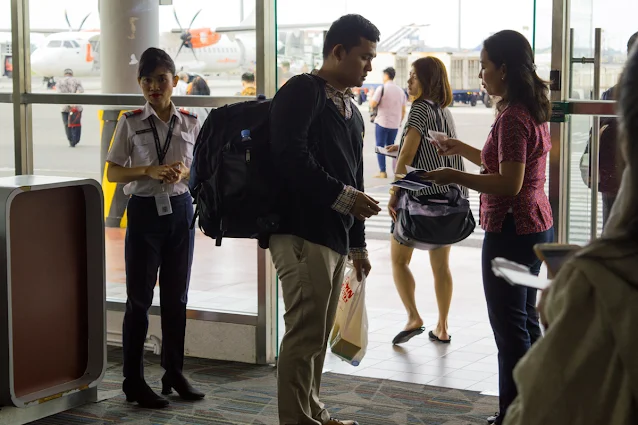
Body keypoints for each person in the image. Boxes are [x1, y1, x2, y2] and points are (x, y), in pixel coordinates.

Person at [422, 30, 554, 425]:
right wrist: (460, 149)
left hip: (512, 229)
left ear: (504, 68)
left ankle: (514, 416)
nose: (480, 74)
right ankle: (536, 407)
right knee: (525, 321)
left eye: (484, 65)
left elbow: (508, 183)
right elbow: (507, 166)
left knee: (510, 329)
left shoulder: (513, 116)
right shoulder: (527, 108)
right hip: (533, 224)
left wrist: (454, 175)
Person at [503, 41, 638, 425]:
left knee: (515, 319)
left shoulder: (606, 282)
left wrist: (570, 312)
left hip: (517, 222)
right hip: (539, 218)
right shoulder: (533, 112)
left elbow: (540, 410)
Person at [268, 14, 381, 425]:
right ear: (338, 52)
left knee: (316, 334)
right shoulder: (303, 90)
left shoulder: (350, 109)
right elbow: (289, 156)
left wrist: (358, 242)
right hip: (299, 231)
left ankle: (313, 411)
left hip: (331, 235)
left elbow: (355, 177)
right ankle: (297, 420)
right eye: (364, 57)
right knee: (304, 333)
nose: (369, 66)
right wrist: (344, 198)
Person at [105, 47, 204, 409]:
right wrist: (146, 171)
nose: (154, 86)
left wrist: (184, 173)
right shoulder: (130, 121)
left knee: (177, 299)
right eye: (147, 80)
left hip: (181, 211)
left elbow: (200, 170)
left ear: (175, 81)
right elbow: (114, 172)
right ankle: (133, 380)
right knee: (139, 301)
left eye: (161, 79)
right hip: (145, 213)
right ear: (140, 84)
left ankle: (173, 372)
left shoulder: (191, 121)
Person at [386, 57, 466, 346]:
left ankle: (413, 317)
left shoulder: (419, 109)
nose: (409, 81)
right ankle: (442, 327)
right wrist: (405, 146)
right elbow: (432, 150)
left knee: (398, 260)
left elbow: (407, 156)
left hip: (418, 200)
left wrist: (394, 192)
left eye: (414, 76)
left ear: (427, 81)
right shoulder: (444, 111)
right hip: (447, 201)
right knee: (441, 267)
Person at [585, 31, 638, 226]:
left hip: (613, 177)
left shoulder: (613, 94)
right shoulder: (612, 94)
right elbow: (596, 135)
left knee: (613, 231)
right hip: (614, 178)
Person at [369, 66, 407, 178]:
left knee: (380, 147)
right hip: (394, 124)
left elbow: (373, 104)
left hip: (382, 122)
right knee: (392, 148)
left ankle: (382, 172)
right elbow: (403, 110)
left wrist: (371, 96)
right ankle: (396, 171)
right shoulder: (400, 91)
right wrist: (399, 121)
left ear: (386, 75)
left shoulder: (382, 88)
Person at [57, 68, 84, 147]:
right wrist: (73, 101)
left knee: (66, 124)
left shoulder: (60, 82)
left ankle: (71, 140)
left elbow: (59, 93)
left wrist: (68, 102)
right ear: (72, 74)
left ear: (64, 74)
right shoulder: (76, 81)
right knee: (76, 123)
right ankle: (76, 139)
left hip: (64, 107)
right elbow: (80, 91)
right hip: (76, 106)